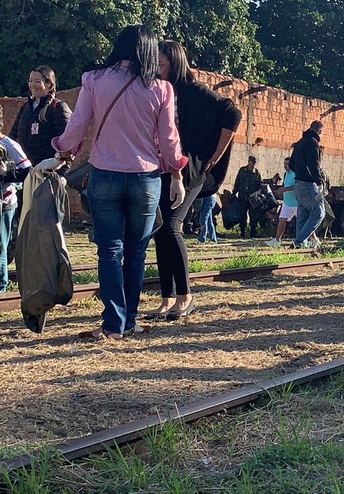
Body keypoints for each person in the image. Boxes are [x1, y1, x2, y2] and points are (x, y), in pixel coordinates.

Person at [52, 24, 187, 340]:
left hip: (105, 175)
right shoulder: (161, 88)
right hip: (146, 179)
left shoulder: (94, 80)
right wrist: (177, 174)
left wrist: (61, 148)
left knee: (109, 250)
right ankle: (130, 322)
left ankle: (114, 325)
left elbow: (78, 127)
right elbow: (169, 141)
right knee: (136, 251)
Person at [150, 40, 241, 321]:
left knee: (173, 226)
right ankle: (167, 298)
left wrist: (215, 155)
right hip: (164, 168)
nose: (158, 69)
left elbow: (232, 113)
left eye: (162, 64)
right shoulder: (158, 89)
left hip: (191, 169)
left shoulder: (194, 91)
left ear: (175, 63)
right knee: (160, 230)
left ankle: (185, 296)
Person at [10, 66, 72, 165]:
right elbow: (13, 137)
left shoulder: (58, 108)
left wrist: (60, 168)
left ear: (49, 84)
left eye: (37, 81)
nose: (32, 85)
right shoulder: (25, 108)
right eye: (30, 81)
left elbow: (68, 141)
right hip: (25, 169)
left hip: (48, 169)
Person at [0, 109, 31, 292]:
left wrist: (5, 174)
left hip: (4, 202)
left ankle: (1, 287)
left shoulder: (8, 144)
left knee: (0, 244)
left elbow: (27, 170)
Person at [290, 120, 328, 249]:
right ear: (320, 131)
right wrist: (319, 181)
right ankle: (299, 241)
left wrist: (300, 172)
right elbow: (314, 165)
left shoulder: (300, 143)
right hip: (309, 184)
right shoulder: (313, 143)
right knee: (319, 213)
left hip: (298, 183)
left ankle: (300, 245)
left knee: (303, 214)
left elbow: (291, 164)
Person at [266, 157, 298, 247]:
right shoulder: (285, 174)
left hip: (296, 203)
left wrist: (286, 189)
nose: (285, 166)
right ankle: (277, 240)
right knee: (281, 220)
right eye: (284, 164)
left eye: (287, 164)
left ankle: (312, 239)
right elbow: (285, 185)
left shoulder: (297, 173)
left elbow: (297, 186)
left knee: (303, 222)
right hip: (287, 202)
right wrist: (281, 191)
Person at [233, 155, 262, 238]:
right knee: (242, 215)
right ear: (249, 162)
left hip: (252, 199)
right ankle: (242, 232)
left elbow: (260, 186)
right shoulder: (242, 170)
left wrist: (256, 194)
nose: (253, 164)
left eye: (255, 163)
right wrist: (234, 192)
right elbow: (237, 182)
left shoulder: (257, 173)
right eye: (252, 162)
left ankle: (253, 232)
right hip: (242, 197)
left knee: (253, 216)